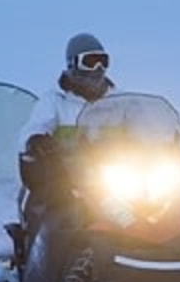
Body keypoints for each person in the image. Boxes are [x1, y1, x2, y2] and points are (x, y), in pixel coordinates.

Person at [11, 32, 115, 268]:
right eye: (90, 61)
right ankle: (47, 279)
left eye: (103, 61)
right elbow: (33, 128)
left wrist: (173, 141)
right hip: (66, 184)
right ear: (72, 64)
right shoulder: (55, 102)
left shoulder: (119, 100)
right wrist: (36, 140)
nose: (98, 68)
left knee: (176, 215)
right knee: (61, 223)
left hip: (115, 184)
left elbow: (143, 126)